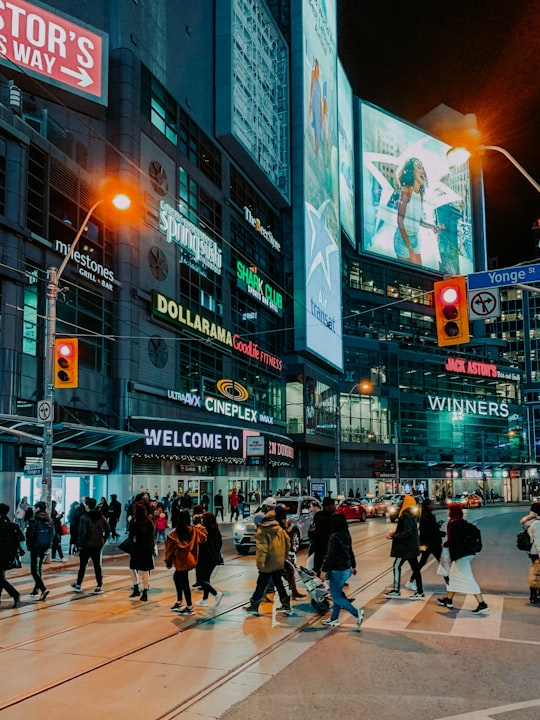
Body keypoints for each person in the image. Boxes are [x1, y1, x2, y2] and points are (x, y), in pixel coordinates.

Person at [437, 503, 488, 613]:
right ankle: (449, 599)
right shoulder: (460, 522)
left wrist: (445, 545)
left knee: (468, 578)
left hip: (462, 555)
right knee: (454, 577)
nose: (448, 512)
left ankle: (482, 603)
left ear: (453, 512)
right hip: (465, 553)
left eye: (449, 510)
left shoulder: (454, 524)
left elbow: (455, 541)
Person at [392, 157, 444, 266]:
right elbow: (400, 220)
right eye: (419, 167)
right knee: (409, 277)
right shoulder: (406, 190)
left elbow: (418, 221)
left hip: (414, 239)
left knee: (418, 274)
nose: (423, 171)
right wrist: (409, 247)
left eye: (423, 168)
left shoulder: (420, 194)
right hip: (403, 240)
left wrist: (433, 227)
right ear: (412, 172)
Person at [243, 511, 292, 615]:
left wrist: (260, 564)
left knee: (261, 584)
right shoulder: (279, 528)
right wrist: (284, 556)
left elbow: (262, 549)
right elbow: (288, 541)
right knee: (278, 583)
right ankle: (286, 604)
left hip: (267, 563)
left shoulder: (262, 531)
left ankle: (254, 605)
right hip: (278, 561)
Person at [321, 512, 364, 630]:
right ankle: (334, 618)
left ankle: (356, 613)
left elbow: (330, 555)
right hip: (346, 569)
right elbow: (350, 551)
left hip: (337, 570)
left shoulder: (334, 537)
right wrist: (353, 565)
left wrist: (324, 570)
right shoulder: (346, 534)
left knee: (336, 597)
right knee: (337, 594)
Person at [165, 509, 207, 615]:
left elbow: (170, 549)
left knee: (183, 582)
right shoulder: (193, 530)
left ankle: (189, 606)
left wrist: (168, 561)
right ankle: (180, 602)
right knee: (179, 579)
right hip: (189, 559)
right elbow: (204, 538)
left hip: (179, 561)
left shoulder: (175, 533)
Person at [384, 495, 424, 600]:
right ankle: (420, 592)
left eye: (402, 500)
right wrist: (395, 533)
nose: (400, 502)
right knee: (415, 569)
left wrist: (395, 536)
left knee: (396, 566)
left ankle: (396, 590)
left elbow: (408, 531)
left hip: (405, 548)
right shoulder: (411, 513)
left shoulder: (406, 514)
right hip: (411, 546)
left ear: (407, 502)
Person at [405, 498, 447, 591]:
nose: (434, 505)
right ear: (428, 506)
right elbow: (432, 532)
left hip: (426, 544)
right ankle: (449, 584)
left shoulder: (424, 516)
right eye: (432, 504)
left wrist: (437, 526)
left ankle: (411, 581)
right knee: (442, 563)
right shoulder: (429, 517)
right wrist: (443, 533)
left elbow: (429, 529)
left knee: (422, 562)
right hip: (433, 544)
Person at [71, 498, 110, 594]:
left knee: (83, 566)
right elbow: (108, 530)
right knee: (97, 565)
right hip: (98, 545)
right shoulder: (101, 517)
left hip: (86, 545)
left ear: (87, 506)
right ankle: (99, 585)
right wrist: (103, 540)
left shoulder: (84, 518)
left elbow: (82, 533)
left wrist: (79, 545)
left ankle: (79, 584)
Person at [126, 502, 155, 601]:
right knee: (145, 571)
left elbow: (130, 537)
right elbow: (152, 537)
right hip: (147, 549)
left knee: (132, 568)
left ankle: (136, 587)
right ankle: (145, 591)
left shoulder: (134, 522)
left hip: (136, 548)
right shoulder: (149, 522)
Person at [26, 501, 54, 601]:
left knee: (34, 570)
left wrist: (29, 545)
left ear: (38, 508)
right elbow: (52, 533)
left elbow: (30, 534)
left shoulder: (34, 519)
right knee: (39, 568)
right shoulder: (49, 519)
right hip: (45, 547)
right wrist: (49, 545)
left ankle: (43, 589)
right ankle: (36, 589)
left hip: (36, 547)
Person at [195, 512, 224, 607]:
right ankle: (204, 599)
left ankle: (216, 593)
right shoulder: (216, 530)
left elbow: (201, 543)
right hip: (214, 558)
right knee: (206, 579)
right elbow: (220, 543)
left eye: (203, 518)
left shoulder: (205, 530)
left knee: (201, 580)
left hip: (205, 558)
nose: (201, 520)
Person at [0, 503, 24, 608]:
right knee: (1, 577)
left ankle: (15, 594)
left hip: (0, 555)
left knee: (0, 578)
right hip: (9, 556)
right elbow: (22, 538)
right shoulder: (12, 525)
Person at [310, 496, 336, 577]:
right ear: (328, 506)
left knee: (318, 563)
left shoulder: (318, 514)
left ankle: (318, 576)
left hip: (317, 544)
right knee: (330, 561)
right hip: (324, 544)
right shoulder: (329, 517)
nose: (335, 507)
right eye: (333, 505)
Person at [519, 501, 540, 603]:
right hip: (537, 552)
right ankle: (533, 595)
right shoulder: (537, 523)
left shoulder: (531, 522)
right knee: (536, 573)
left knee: (536, 573)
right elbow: (538, 541)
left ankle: (534, 595)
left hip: (533, 552)